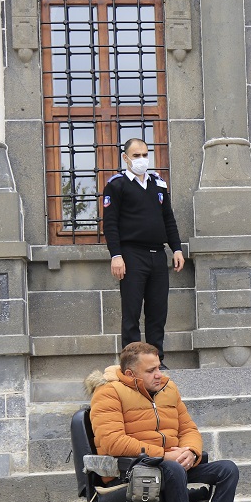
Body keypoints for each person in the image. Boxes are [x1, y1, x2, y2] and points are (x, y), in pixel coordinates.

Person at [87, 342, 240, 502]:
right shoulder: (108, 392)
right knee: (172, 469)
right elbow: (112, 442)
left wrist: (191, 451)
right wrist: (163, 454)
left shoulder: (169, 389)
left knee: (227, 470)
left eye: (159, 367)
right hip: (131, 473)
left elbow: (188, 428)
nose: (159, 374)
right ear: (130, 374)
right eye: (150, 371)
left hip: (170, 466)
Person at [102, 138, 184, 365]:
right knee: (131, 312)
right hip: (131, 255)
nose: (141, 160)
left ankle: (157, 361)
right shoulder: (116, 185)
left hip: (158, 254)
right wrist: (116, 255)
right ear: (125, 158)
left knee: (157, 312)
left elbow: (168, 218)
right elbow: (110, 223)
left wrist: (176, 248)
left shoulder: (158, 184)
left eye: (145, 155)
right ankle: (133, 362)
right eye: (136, 155)